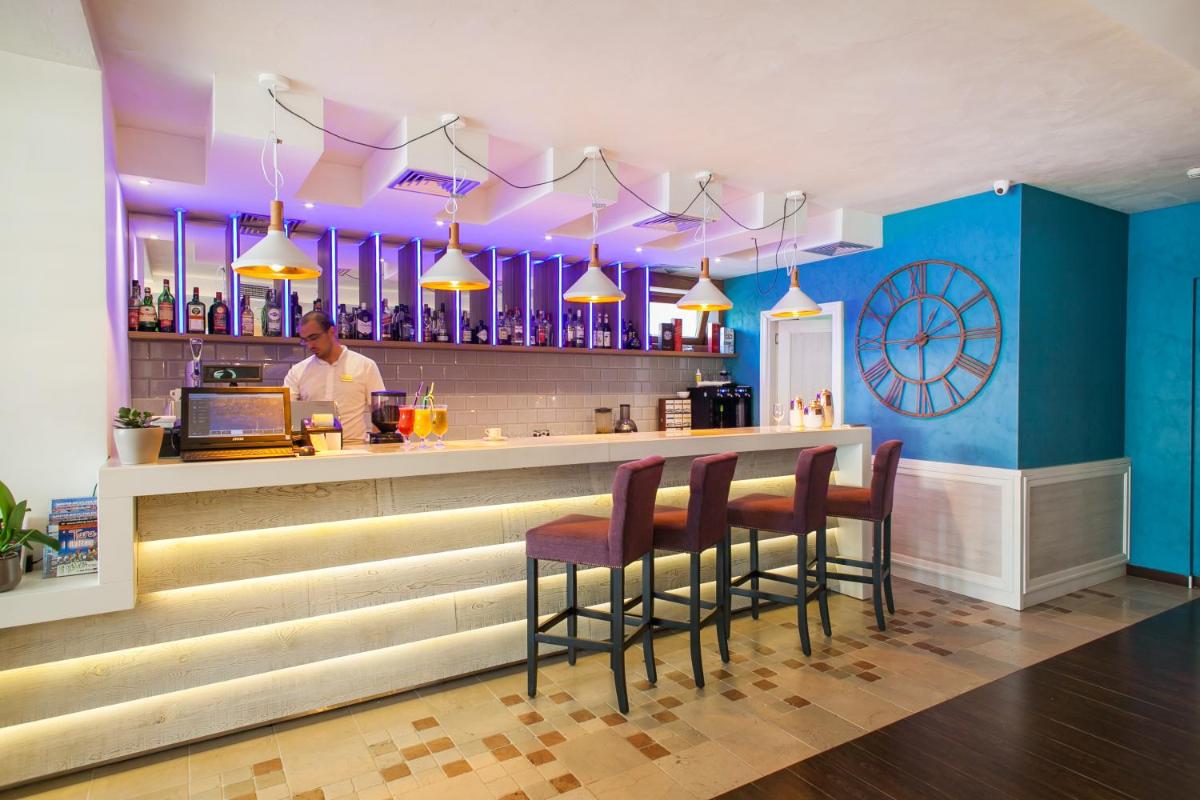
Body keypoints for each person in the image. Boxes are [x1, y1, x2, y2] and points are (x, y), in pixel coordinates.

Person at [284, 309, 385, 443]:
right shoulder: (298, 371)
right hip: (312, 449)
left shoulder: (365, 366)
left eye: (314, 338)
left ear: (332, 331)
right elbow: (286, 412)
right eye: (305, 340)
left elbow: (379, 413)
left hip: (354, 447)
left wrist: (377, 447)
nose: (310, 345)